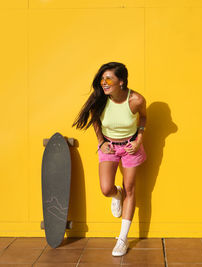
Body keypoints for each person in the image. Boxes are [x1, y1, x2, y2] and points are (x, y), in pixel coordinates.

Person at [72, 62, 147, 256]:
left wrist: (139, 140)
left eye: (108, 79)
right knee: (106, 189)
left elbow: (144, 119)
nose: (103, 83)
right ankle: (116, 194)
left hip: (130, 147)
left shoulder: (136, 100)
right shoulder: (101, 99)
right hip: (109, 146)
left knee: (131, 189)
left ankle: (122, 240)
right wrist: (100, 141)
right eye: (102, 79)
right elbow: (95, 119)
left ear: (121, 82)